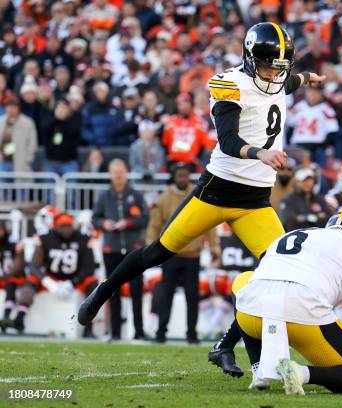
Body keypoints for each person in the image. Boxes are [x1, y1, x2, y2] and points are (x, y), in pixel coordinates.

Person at [78, 23, 325, 377]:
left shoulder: (278, 77)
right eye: (269, 66)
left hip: (255, 201)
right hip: (217, 191)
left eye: (280, 68)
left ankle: (224, 346)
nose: (274, 75)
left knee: (278, 274)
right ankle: (103, 291)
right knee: (157, 253)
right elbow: (227, 140)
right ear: (251, 59)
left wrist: (307, 78)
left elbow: (288, 81)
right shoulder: (229, 83)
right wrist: (260, 153)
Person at [233, 211, 342, 395]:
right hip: (302, 311)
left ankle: (259, 370)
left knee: (245, 283)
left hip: (249, 313)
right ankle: (300, 373)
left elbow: (263, 278)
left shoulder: (296, 234)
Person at [11, 213, 97, 337]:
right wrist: (48, 282)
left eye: (68, 226)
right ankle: (20, 317)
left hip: (76, 278)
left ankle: (88, 328)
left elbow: (89, 268)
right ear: (55, 226)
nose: (66, 229)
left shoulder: (83, 238)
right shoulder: (45, 238)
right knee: (31, 279)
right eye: (62, 226)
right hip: (52, 277)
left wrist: (73, 282)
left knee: (93, 283)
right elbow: (33, 266)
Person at [146, 163, 204, 344]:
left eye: (186, 175)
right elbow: (155, 224)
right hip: (170, 253)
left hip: (193, 254)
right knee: (166, 295)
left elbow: (208, 223)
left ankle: (192, 334)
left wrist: (213, 246)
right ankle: (161, 332)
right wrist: (150, 248)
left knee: (192, 297)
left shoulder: (198, 195)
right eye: (180, 175)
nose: (183, 178)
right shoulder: (164, 198)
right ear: (174, 176)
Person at [92, 159, 149, 341]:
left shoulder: (136, 195)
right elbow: (95, 218)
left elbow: (145, 218)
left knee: (136, 291)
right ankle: (115, 332)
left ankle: (138, 332)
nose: (118, 176)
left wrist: (129, 223)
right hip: (111, 249)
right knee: (112, 291)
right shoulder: (104, 196)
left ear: (126, 173)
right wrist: (104, 223)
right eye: (115, 173)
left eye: (121, 172)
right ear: (110, 175)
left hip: (133, 250)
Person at [279, 166, 334, 231]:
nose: (308, 183)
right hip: (297, 238)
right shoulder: (288, 199)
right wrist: (318, 218)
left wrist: (304, 218)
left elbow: (330, 219)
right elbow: (289, 222)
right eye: (304, 180)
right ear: (297, 182)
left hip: (318, 237)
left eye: (310, 180)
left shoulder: (319, 198)